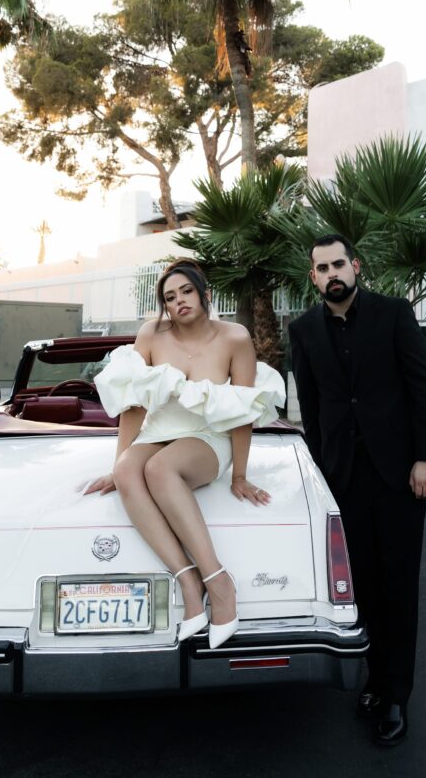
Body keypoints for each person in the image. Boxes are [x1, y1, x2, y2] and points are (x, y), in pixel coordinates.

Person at [84, 258, 285, 649]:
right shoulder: (151, 335)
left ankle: (219, 582)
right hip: (160, 430)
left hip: (208, 436)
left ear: (205, 294)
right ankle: (188, 581)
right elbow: (133, 405)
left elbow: (243, 412)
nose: (179, 302)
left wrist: (239, 475)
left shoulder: (235, 338)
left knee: (160, 469)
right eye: (170, 297)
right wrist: (118, 463)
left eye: (186, 291)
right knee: (129, 473)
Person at [288, 234, 426, 748]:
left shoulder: (394, 314)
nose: (331, 273)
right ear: (313, 277)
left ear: (354, 266)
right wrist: (318, 472)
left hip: (400, 475)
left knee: (398, 586)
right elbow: (311, 409)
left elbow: (421, 386)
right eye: (321, 267)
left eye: (338, 263)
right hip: (343, 479)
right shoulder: (304, 329)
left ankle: (398, 694)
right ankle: (375, 680)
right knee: (363, 590)